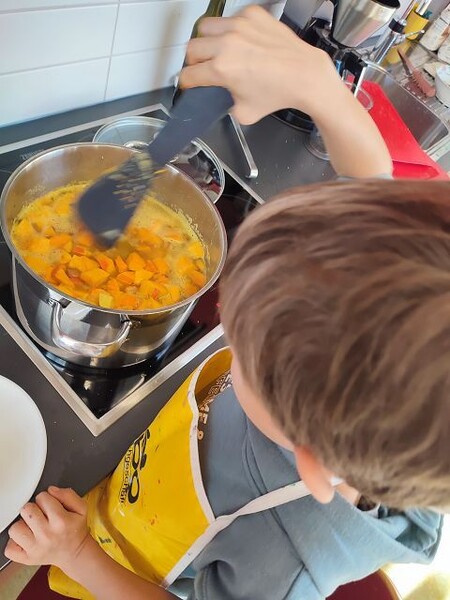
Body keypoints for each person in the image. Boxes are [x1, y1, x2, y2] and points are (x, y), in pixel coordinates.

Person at [4, 6, 448, 600]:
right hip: (137, 479)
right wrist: (320, 86)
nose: (227, 333)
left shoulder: (286, 563)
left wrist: (77, 553)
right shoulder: (366, 349)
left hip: (119, 564)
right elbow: (371, 178)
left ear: (310, 462)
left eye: (245, 346)